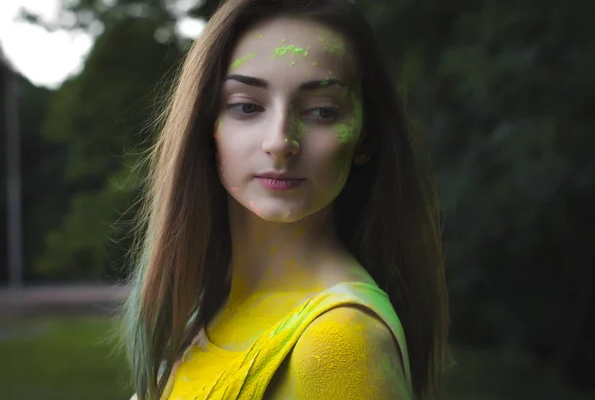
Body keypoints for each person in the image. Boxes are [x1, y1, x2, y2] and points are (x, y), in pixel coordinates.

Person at [120, 0, 450, 399]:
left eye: (322, 111)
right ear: (207, 126)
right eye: (246, 106)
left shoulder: (339, 340)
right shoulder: (205, 310)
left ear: (366, 136)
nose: (280, 142)